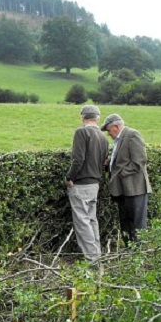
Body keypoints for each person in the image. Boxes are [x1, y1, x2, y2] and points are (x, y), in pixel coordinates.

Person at [66, 105, 109, 262]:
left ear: (82, 118)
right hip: (95, 183)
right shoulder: (103, 137)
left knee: (82, 221)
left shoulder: (81, 132)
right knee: (92, 220)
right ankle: (97, 254)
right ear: (97, 118)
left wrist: (70, 177)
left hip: (81, 183)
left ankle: (92, 259)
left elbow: (78, 159)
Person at [100, 113, 152, 243]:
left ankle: (138, 254)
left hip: (135, 188)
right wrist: (109, 165)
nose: (108, 134)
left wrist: (120, 173)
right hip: (123, 189)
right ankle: (129, 252)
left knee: (137, 225)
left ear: (116, 127)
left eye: (108, 130)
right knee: (126, 223)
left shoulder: (132, 135)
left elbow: (139, 161)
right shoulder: (119, 139)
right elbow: (122, 160)